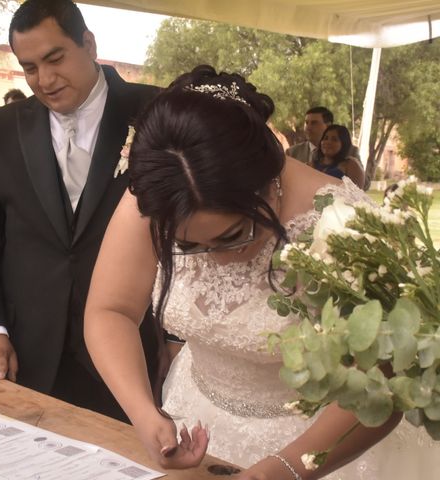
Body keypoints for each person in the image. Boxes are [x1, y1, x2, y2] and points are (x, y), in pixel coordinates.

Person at [84, 66, 439, 478]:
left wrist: (283, 470)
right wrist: (145, 415)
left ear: (270, 185)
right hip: (198, 421)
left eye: (232, 235)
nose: (214, 258)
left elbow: (384, 375)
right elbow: (111, 311)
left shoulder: (342, 222)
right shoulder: (163, 191)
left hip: (325, 448)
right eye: (188, 246)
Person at [0, 0, 161, 421]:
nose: (44, 80)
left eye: (55, 58)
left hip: (132, 345)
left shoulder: (158, 113)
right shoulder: (3, 128)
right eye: (30, 68)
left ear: (88, 43)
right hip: (26, 348)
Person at [286, 106, 360, 165]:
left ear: (328, 126)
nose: (308, 127)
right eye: (306, 123)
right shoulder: (292, 153)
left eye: (314, 123)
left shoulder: (351, 152)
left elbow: (365, 182)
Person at [312, 124, 365, 189]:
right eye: (325, 138)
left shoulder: (350, 165)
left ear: (343, 143)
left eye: (334, 139)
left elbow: (357, 195)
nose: (328, 142)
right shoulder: (311, 164)